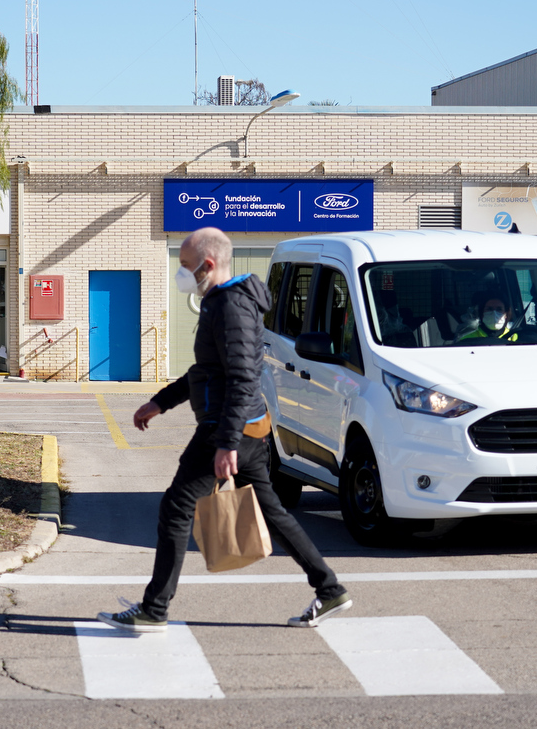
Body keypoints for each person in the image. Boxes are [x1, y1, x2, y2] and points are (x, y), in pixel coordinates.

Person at [97, 227, 352, 633]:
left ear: (208, 264)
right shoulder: (224, 302)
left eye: (185, 266)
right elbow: (207, 371)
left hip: (225, 429)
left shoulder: (231, 306)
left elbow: (242, 377)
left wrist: (226, 443)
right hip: (247, 429)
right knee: (273, 513)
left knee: (176, 508)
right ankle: (330, 588)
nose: (182, 274)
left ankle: (154, 609)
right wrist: (161, 402)